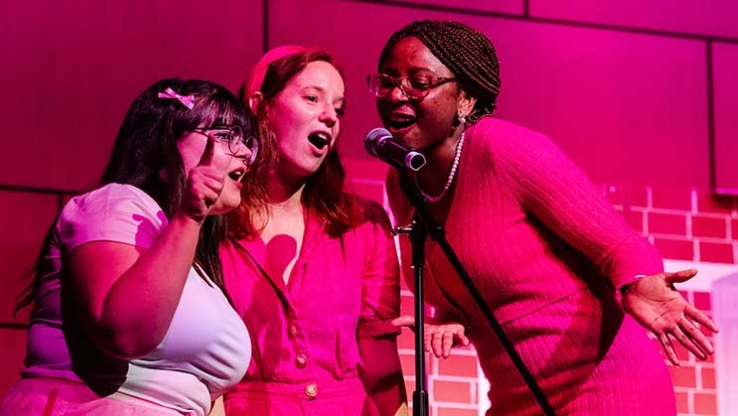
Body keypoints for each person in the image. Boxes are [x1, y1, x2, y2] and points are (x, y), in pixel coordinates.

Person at [369, 19, 720, 415]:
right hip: (516, 397)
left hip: (604, 387)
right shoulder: (403, 181)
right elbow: (467, 276)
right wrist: (452, 317)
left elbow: (619, 245)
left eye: (418, 82)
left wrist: (640, 282)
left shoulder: (505, 150)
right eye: (387, 82)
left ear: (465, 99)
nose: (396, 95)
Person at [0, 79, 257, 416]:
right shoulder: (116, 204)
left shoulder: (194, 261)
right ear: (167, 140)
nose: (245, 153)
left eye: (245, 141)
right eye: (226, 135)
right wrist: (189, 217)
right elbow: (125, 334)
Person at [218, 46, 408, 415]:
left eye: (339, 108)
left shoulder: (363, 225)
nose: (330, 116)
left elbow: (381, 362)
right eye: (312, 98)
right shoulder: (212, 223)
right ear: (261, 105)